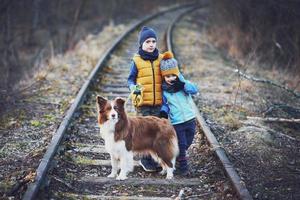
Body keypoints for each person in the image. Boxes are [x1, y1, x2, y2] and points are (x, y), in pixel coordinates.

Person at [127, 26, 163, 172]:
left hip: (158, 103)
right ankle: (145, 160)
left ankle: (154, 157)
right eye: (147, 41)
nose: (151, 44)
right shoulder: (136, 61)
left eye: (153, 41)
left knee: (156, 131)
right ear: (141, 44)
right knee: (144, 131)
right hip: (142, 103)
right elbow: (130, 79)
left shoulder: (160, 59)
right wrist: (133, 88)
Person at [159, 51, 198, 176]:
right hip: (177, 121)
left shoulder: (183, 85)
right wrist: (164, 112)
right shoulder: (165, 91)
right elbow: (165, 104)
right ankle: (183, 167)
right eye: (167, 76)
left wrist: (183, 84)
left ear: (177, 74)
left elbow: (194, 90)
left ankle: (179, 155)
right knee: (181, 144)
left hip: (190, 118)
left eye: (173, 75)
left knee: (189, 140)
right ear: (164, 77)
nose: (171, 78)